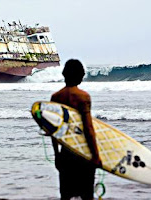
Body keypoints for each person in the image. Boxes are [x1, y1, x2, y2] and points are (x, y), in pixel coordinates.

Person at [51, 59, 102, 200]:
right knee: (87, 196)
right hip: (83, 154)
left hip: (66, 153)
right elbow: (88, 128)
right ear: (80, 75)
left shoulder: (56, 97)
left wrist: (56, 155)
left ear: (65, 74)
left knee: (65, 196)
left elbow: (54, 129)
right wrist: (96, 155)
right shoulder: (83, 97)